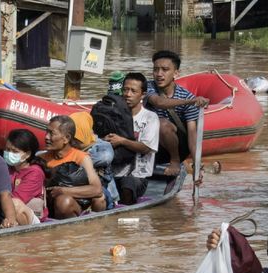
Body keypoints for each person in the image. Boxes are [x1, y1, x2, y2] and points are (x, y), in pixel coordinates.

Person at [145, 50, 209, 175]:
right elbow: (159, 102)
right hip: (149, 144)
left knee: (162, 124)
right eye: (156, 69)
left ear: (176, 73)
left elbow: (192, 135)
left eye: (165, 70)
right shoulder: (147, 87)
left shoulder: (186, 96)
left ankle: (175, 161)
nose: (159, 74)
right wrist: (188, 102)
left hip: (177, 148)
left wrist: (197, 165)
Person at [103, 72, 159, 205]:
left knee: (127, 183)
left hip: (138, 176)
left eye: (133, 91)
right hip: (111, 173)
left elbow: (146, 148)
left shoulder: (150, 118)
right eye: (125, 90)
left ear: (143, 95)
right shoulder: (112, 115)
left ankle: (125, 216)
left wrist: (122, 141)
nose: (128, 94)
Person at [40, 115, 106, 219]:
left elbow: (97, 189)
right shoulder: (41, 158)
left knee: (64, 201)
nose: (46, 137)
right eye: (46, 132)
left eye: (51, 133)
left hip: (73, 205)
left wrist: (63, 191)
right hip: (48, 207)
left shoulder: (81, 158)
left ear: (66, 138)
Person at [69, 111, 117, 207]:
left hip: (103, 191)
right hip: (77, 189)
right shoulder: (68, 147)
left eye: (76, 137)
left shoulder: (102, 145)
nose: (73, 141)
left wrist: (77, 158)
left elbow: (105, 158)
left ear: (84, 131)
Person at [3, 129, 46, 225]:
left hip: (32, 217)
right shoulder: (6, 168)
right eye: (7, 149)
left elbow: (17, 198)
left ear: (27, 154)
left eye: (14, 151)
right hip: (5, 211)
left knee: (14, 203)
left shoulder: (35, 173)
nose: (9, 153)